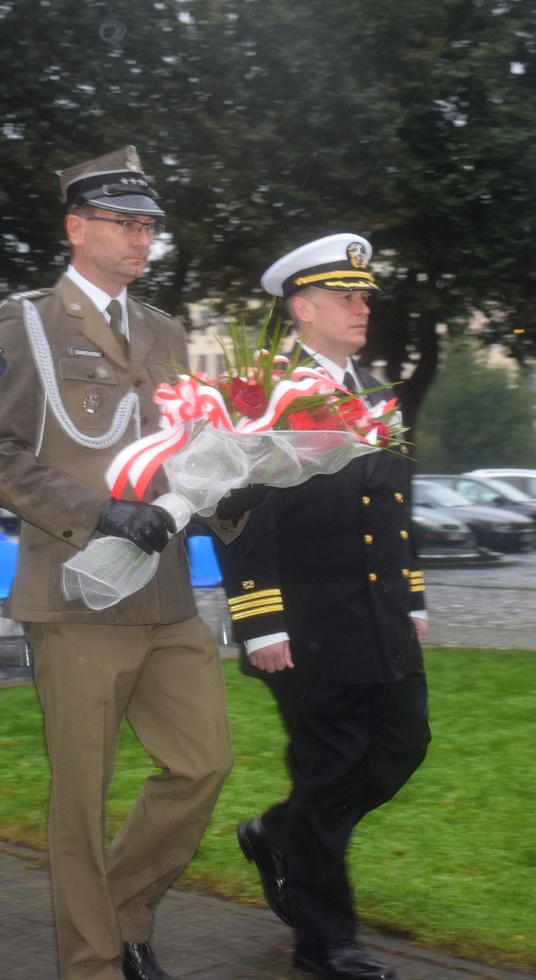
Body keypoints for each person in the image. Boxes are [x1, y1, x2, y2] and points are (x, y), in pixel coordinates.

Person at [0, 146, 243, 980]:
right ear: (76, 228)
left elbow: (179, 450)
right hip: (76, 591)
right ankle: (93, 961)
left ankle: (122, 909)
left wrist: (230, 495)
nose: (142, 239)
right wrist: (97, 512)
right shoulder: (28, 323)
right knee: (80, 802)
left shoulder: (161, 329)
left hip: (162, 594)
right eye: (125, 223)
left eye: (149, 225)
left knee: (204, 762)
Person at [215, 234, 430, 980]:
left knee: (403, 747)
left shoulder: (373, 391)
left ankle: (280, 834)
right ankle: (325, 943)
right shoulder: (267, 394)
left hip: (379, 615)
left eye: (364, 295)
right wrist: (260, 620)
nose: (363, 306)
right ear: (303, 308)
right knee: (333, 770)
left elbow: (396, 503)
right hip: (304, 624)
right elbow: (241, 513)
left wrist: (412, 594)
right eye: (347, 296)